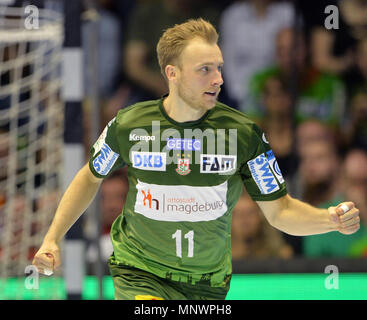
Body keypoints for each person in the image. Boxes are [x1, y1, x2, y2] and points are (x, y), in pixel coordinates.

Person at [32, 18, 360, 300]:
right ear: (172, 73)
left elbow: (280, 211)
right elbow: (90, 176)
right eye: (205, 69)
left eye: (219, 67)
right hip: (140, 271)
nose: (218, 78)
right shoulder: (130, 124)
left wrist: (328, 220)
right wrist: (52, 238)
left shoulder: (243, 133)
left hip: (207, 283)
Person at [304, 149, 367, 257]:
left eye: (364, 182)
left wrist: (364, 211)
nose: (360, 190)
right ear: (342, 181)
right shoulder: (324, 213)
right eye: (354, 182)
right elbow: (313, 264)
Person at [231, 192, 293, 260]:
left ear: (260, 217)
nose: (244, 219)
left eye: (250, 213)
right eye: (238, 214)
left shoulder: (280, 253)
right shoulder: (220, 254)